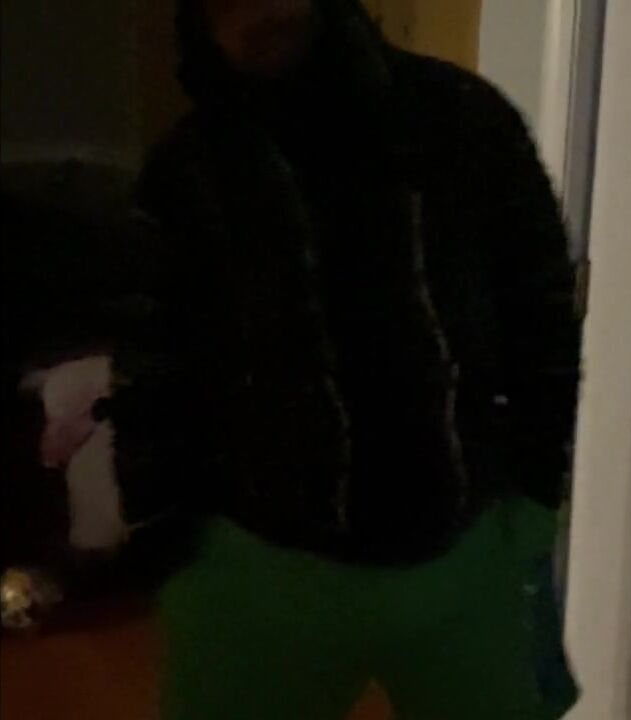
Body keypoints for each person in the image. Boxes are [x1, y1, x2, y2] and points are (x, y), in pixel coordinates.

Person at [136, 0, 581, 717]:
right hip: (253, 572)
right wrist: (163, 540)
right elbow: (151, 363)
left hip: (464, 554)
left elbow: (543, 309)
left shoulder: (463, 121)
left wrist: (534, 492)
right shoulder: (183, 173)